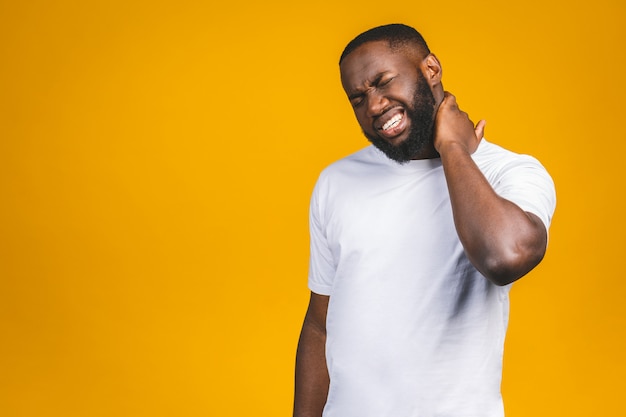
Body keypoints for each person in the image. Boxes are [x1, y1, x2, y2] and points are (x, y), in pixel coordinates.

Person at [293, 24, 556, 417]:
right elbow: (320, 324)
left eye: (382, 82)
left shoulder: (509, 172)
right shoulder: (337, 182)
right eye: (358, 98)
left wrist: (451, 145)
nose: (374, 106)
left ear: (431, 69)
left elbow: (506, 256)